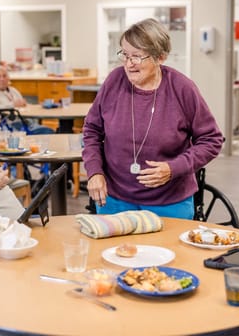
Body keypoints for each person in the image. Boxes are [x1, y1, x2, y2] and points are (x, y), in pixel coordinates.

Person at [82, 18, 223, 219]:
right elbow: (92, 131)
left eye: (137, 57)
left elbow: (211, 140)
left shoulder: (182, 88)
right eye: (125, 54)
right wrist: (94, 172)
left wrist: (173, 168)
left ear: (160, 57)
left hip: (170, 203)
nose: (129, 64)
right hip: (114, 200)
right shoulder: (114, 81)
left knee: (170, 251)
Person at [0, 66, 54, 135]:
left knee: (50, 131)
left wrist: (29, 105)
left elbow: (23, 106)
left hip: (23, 124)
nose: (2, 79)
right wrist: (12, 104)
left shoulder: (13, 90)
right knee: (47, 133)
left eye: (4, 76)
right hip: (2, 128)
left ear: (8, 78)